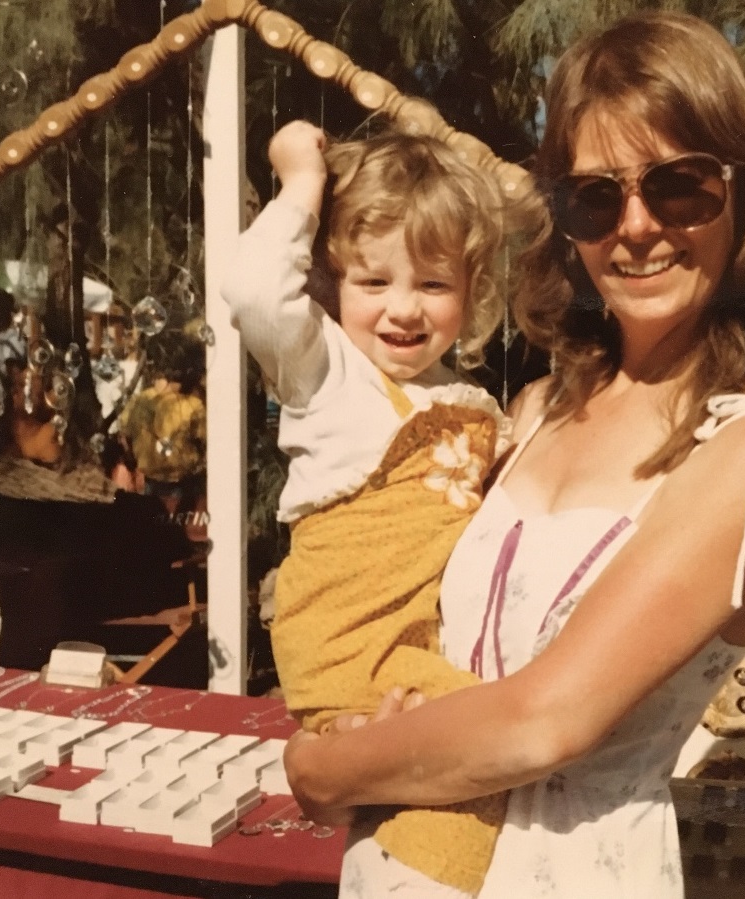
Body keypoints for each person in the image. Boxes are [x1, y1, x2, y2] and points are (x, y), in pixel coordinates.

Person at [284, 11, 745, 897]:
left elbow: (547, 721)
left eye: (679, 187)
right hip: (405, 860)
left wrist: (320, 769)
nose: (636, 226)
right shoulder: (534, 411)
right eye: (596, 198)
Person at [221, 121, 533, 894]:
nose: (403, 309)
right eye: (373, 281)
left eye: (433, 285)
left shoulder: (464, 399)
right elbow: (253, 288)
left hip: (408, 642)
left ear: (473, 291)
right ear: (331, 282)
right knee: (486, 750)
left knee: (445, 788)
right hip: (349, 641)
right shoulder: (325, 374)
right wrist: (301, 181)